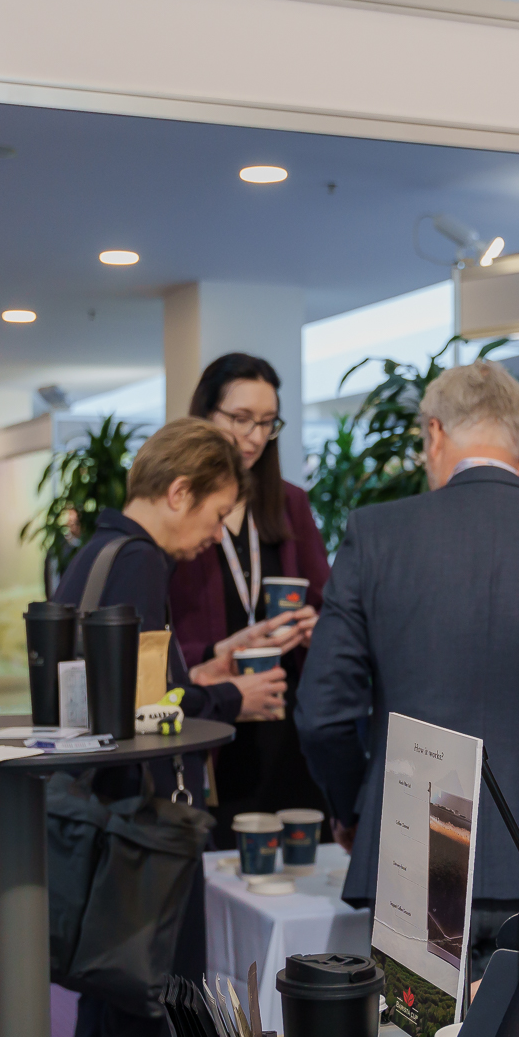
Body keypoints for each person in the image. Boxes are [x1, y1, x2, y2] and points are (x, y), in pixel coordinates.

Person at [295, 361, 519, 970]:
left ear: (435, 434)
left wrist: (354, 808)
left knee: (415, 1031)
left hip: (416, 855)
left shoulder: (377, 534)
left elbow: (323, 714)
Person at [51, 418, 283, 1037]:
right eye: (217, 514)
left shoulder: (99, 552)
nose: (216, 535)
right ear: (180, 492)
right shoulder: (140, 560)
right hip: (141, 826)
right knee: (150, 1012)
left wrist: (199, 670)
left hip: (106, 812)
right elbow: (146, 711)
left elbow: (130, 684)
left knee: (113, 1002)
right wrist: (234, 699)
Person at [170, 353, 331, 850]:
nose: (255, 436)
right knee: (220, 864)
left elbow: (327, 601)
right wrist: (208, 658)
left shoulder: (289, 502)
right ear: (206, 414)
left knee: (296, 865)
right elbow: (157, 633)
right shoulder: (179, 504)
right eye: (241, 419)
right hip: (214, 713)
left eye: (267, 422)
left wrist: (316, 625)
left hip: (284, 718)